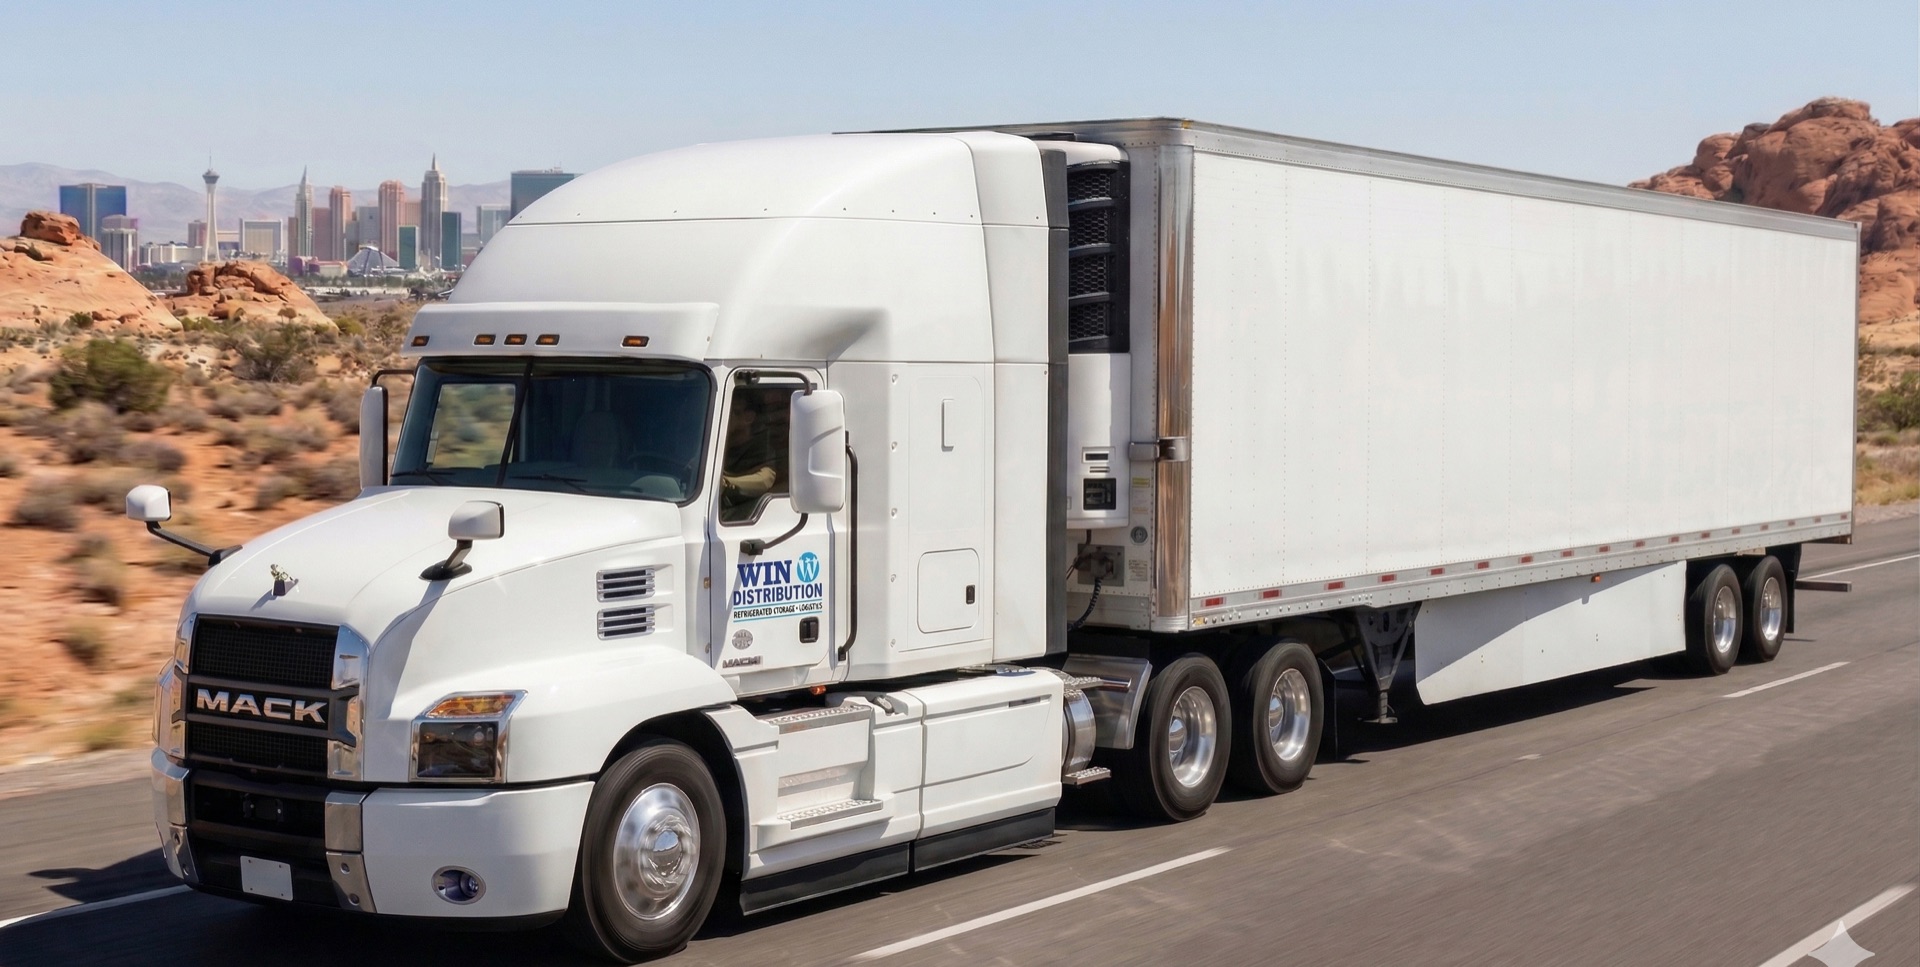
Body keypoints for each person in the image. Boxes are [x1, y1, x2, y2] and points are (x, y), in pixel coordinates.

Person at [720, 390, 784, 520]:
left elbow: (765, 479)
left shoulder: (761, 450)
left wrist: (726, 483)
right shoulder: (719, 446)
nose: (725, 416)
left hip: (741, 518)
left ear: (748, 417)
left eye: (732, 411)